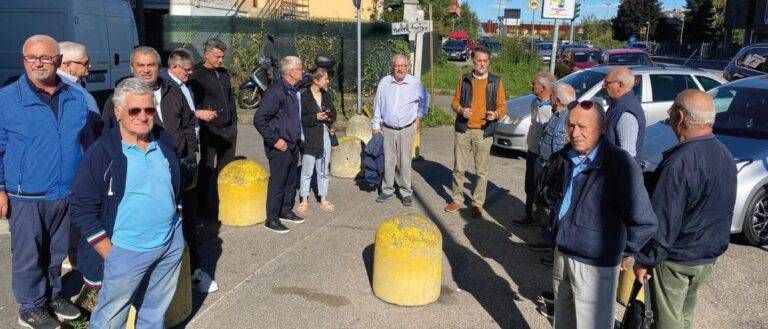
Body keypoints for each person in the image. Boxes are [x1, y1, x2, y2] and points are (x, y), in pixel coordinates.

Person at [0, 34, 100, 329]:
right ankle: (30, 307)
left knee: (57, 251)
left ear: (58, 61)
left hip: (65, 191)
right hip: (26, 194)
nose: (38, 63)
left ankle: (54, 296)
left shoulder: (74, 97)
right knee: (29, 254)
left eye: (45, 57)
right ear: (24, 61)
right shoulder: (7, 100)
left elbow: (86, 142)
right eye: (31, 57)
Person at [71, 78, 185, 328]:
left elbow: (174, 185)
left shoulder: (163, 142)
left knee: (154, 312)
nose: (143, 116)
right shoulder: (103, 152)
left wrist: (177, 222)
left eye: (149, 110)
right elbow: (81, 207)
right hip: (126, 250)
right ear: (118, 112)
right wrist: (110, 254)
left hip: (169, 243)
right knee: (111, 317)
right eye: (135, 110)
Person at [538, 100, 657, 329]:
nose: (575, 133)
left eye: (583, 127)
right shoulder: (566, 157)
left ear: (602, 128)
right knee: (562, 323)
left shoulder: (619, 164)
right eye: (571, 126)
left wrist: (623, 250)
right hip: (562, 254)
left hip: (595, 265)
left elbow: (645, 221)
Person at [634, 90, 737, 329]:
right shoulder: (725, 154)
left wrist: (644, 260)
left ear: (679, 117)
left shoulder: (680, 162)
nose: (669, 118)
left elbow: (664, 221)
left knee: (666, 321)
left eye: (671, 113)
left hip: (677, 259)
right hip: (706, 257)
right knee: (684, 318)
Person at [160, 48, 219, 293]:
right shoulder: (168, 89)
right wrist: (185, 152)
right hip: (178, 158)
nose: (190, 73)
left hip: (187, 156)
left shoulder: (182, 86)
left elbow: (186, 118)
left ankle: (191, 266)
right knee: (182, 212)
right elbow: (174, 128)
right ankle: (191, 270)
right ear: (174, 68)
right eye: (187, 70)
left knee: (189, 212)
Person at [444, 45, 506, 217]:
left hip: (484, 131)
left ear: (489, 62)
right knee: (458, 168)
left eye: (485, 61)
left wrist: (496, 114)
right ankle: (457, 199)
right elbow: (454, 102)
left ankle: (477, 203)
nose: (482, 64)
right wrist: (461, 110)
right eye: (479, 60)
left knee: (481, 171)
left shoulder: (496, 81)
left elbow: (502, 106)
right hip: (463, 129)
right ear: (473, 61)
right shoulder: (464, 79)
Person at [253, 56, 305, 234]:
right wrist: (275, 140)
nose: (302, 71)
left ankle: (285, 210)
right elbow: (259, 119)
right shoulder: (275, 92)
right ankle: (272, 219)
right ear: (291, 72)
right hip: (279, 145)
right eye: (300, 68)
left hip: (293, 143)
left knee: (291, 181)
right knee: (278, 182)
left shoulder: (293, 89)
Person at [188, 38, 239, 222]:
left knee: (226, 169)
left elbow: (231, 99)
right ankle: (203, 209)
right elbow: (194, 103)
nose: (220, 60)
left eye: (222, 57)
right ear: (207, 55)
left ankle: (223, 205)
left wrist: (234, 124)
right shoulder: (197, 75)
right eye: (217, 56)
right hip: (209, 130)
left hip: (228, 129)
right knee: (207, 169)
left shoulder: (224, 73)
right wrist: (203, 125)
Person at [371, 54, 428, 206]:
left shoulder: (414, 83)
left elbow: (425, 100)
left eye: (403, 66)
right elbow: (377, 104)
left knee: (404, 161)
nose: (400, 69)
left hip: (406, 129)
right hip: (387, 129)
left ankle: (405, 192)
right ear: (393, 67)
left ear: (407, 67)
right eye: (397, 66)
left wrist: (419, 118)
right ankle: (387, 189)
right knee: (388, 161)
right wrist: (376, 125)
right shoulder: (385, 82)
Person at [532, 83, 576, 257]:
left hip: (551, 171)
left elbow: (562, 150)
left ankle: (553, 248)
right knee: (543, 204)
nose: (549, 98)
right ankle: (547, 241)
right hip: (544, 166)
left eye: (552, 96)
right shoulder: (557, 114)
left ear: (556, 100)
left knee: (551, 208)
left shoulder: (567, 119)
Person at [512, 71, 554, 226]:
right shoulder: (535, 102)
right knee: (529, 186)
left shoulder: (552, 108)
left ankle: (543, 222)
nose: (531, 85)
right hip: (532, 151)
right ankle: (529, 216)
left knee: (540, 189)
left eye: (534, 83)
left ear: (542, 88)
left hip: (543, 157)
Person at [298, 67, 337, 214]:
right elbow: (301, 119)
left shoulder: (326, 95)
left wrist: (328, 116)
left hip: (325, 136)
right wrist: (316, 117)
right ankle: (304, 199)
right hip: (310, 138)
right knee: (307, 170)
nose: (328, 81)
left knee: (323, 170)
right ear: (316, 80)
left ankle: (323, 198)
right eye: (325, 78)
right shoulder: (304, 96)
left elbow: (334, 113)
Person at [603, 66, 645, 160]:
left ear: (620, 85)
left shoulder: (626, 115)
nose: (603, 86)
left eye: (607, 83)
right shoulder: (618, 105)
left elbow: (627, 157)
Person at [57, 41, 98, 113]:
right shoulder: (62, 87)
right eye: (85, 63)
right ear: (67, 65)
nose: (89, 66)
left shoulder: (71, 83)